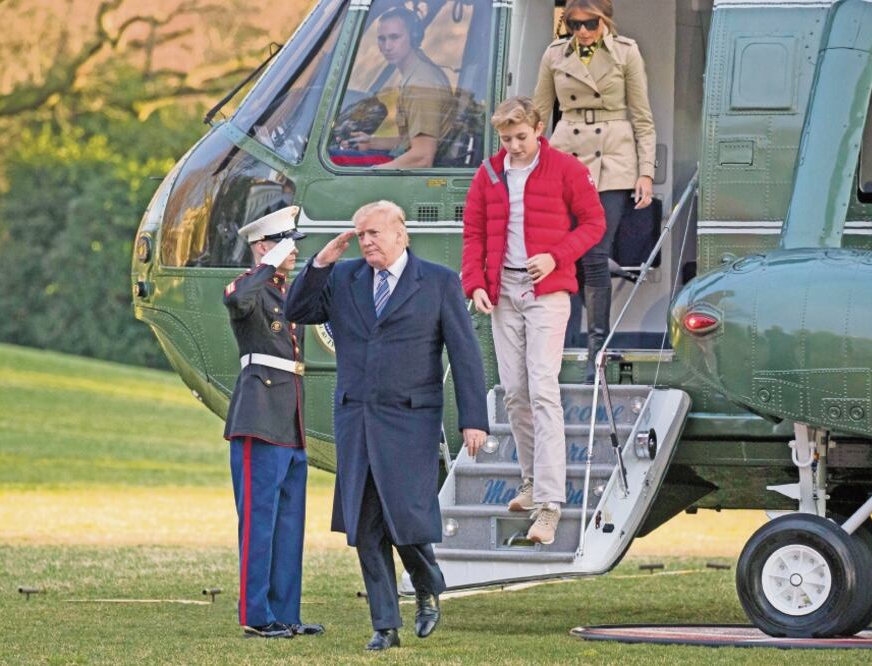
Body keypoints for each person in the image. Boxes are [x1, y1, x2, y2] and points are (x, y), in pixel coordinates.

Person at [285, 200, 488, 651]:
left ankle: (427, 583)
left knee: (406, 516)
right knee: (365, 522)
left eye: (375, 232)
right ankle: (385, 625)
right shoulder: (343, 277)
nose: (367, 241)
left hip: (410, 418)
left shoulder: (436, 281)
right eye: (361, 235)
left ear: (402, 234)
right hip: (356, 415)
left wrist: (474, 419)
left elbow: (464, 353)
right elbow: (296, 309)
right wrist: (320, 262)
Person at [461, 97, 605, 544]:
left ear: (539, 129)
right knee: (515, 392)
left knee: (543, 389)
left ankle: (549, 503)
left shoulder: (565, 168)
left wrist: (556, 255)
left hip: (548, 291)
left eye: (521, 138)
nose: (514, 147)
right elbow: (475, 232)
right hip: (503, 290)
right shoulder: (488, 173)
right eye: (506, 140)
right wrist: (476, 284)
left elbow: (594, 223)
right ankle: (528, 477)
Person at [533, 0, 656, 381]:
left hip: (614, 161)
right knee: (559, 253)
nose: (582, 31)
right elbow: (538, 113)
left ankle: (595, 352)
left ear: (604, 22)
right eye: (574, 24)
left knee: (595, 254)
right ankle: (558, 343)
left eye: (590, 24)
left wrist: (646, 172)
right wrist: (526, 166)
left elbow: (642, 118)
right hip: (566, 152)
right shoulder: (555, 55)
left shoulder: (626, 52)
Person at [222, 206, 324, 639]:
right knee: (259, 521)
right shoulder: (253, 287)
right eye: (287, 242)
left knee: (288, 522)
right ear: (266, 247)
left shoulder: (287, 290)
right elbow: (235, 298)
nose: (295, 250)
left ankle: (285, 613)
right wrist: (265, 261)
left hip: (289, 418)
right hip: (258, 417)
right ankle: (256, 615)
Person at [343, 7, 455, 168]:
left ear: (414, 38)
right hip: (408, 159)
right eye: (382, 39)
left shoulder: (421, 85)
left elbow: (422, 157)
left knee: (336, 162)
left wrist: (371, 174)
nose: (387, 46)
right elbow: (414, 139)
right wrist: (371, 142)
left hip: (419, 176)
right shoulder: (416, 73)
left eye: (394, 37)